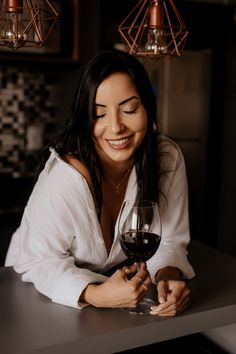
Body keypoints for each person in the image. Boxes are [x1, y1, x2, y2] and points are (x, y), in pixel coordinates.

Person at [5, 48, 195, 316]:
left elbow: (171, 239)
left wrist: (167, 276)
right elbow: (38, 260)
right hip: (31, 291)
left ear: (147, 108)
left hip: (109, 296)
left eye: (129, 109)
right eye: (99, 114)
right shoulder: (67, 175)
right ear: (85, 119)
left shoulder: (166, 159)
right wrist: (94, 294)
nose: (116, 127)